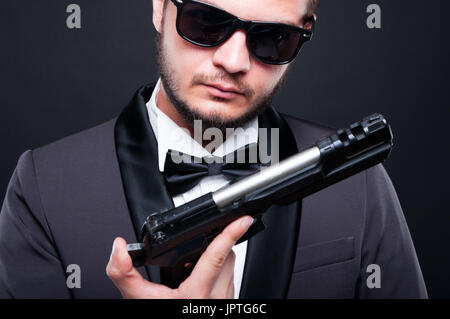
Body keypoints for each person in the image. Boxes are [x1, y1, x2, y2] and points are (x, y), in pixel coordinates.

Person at [0, 0, 427, 298]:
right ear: (160, 6)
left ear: (304, 33)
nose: (234, 60)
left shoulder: (359, 180)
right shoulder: (43, 185)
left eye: (273, 38)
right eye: (206, 22)